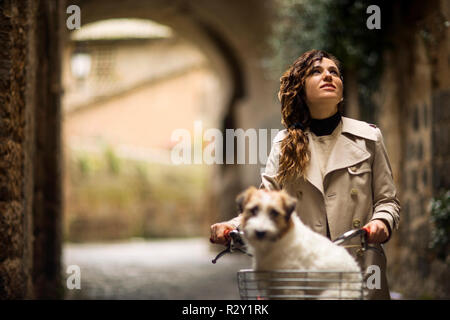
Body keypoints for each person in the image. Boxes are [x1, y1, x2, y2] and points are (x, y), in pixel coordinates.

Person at [210, 49, 400, 299]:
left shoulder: (369, 138)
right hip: (301, 270)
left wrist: (381, 222)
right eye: (316, 72)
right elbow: (264, 202)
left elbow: (387, 200)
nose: (328, 76)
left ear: (342, 91)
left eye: (334, 72)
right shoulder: (283, 144)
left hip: (360, 264)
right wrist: (230, 226)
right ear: (301, 89)